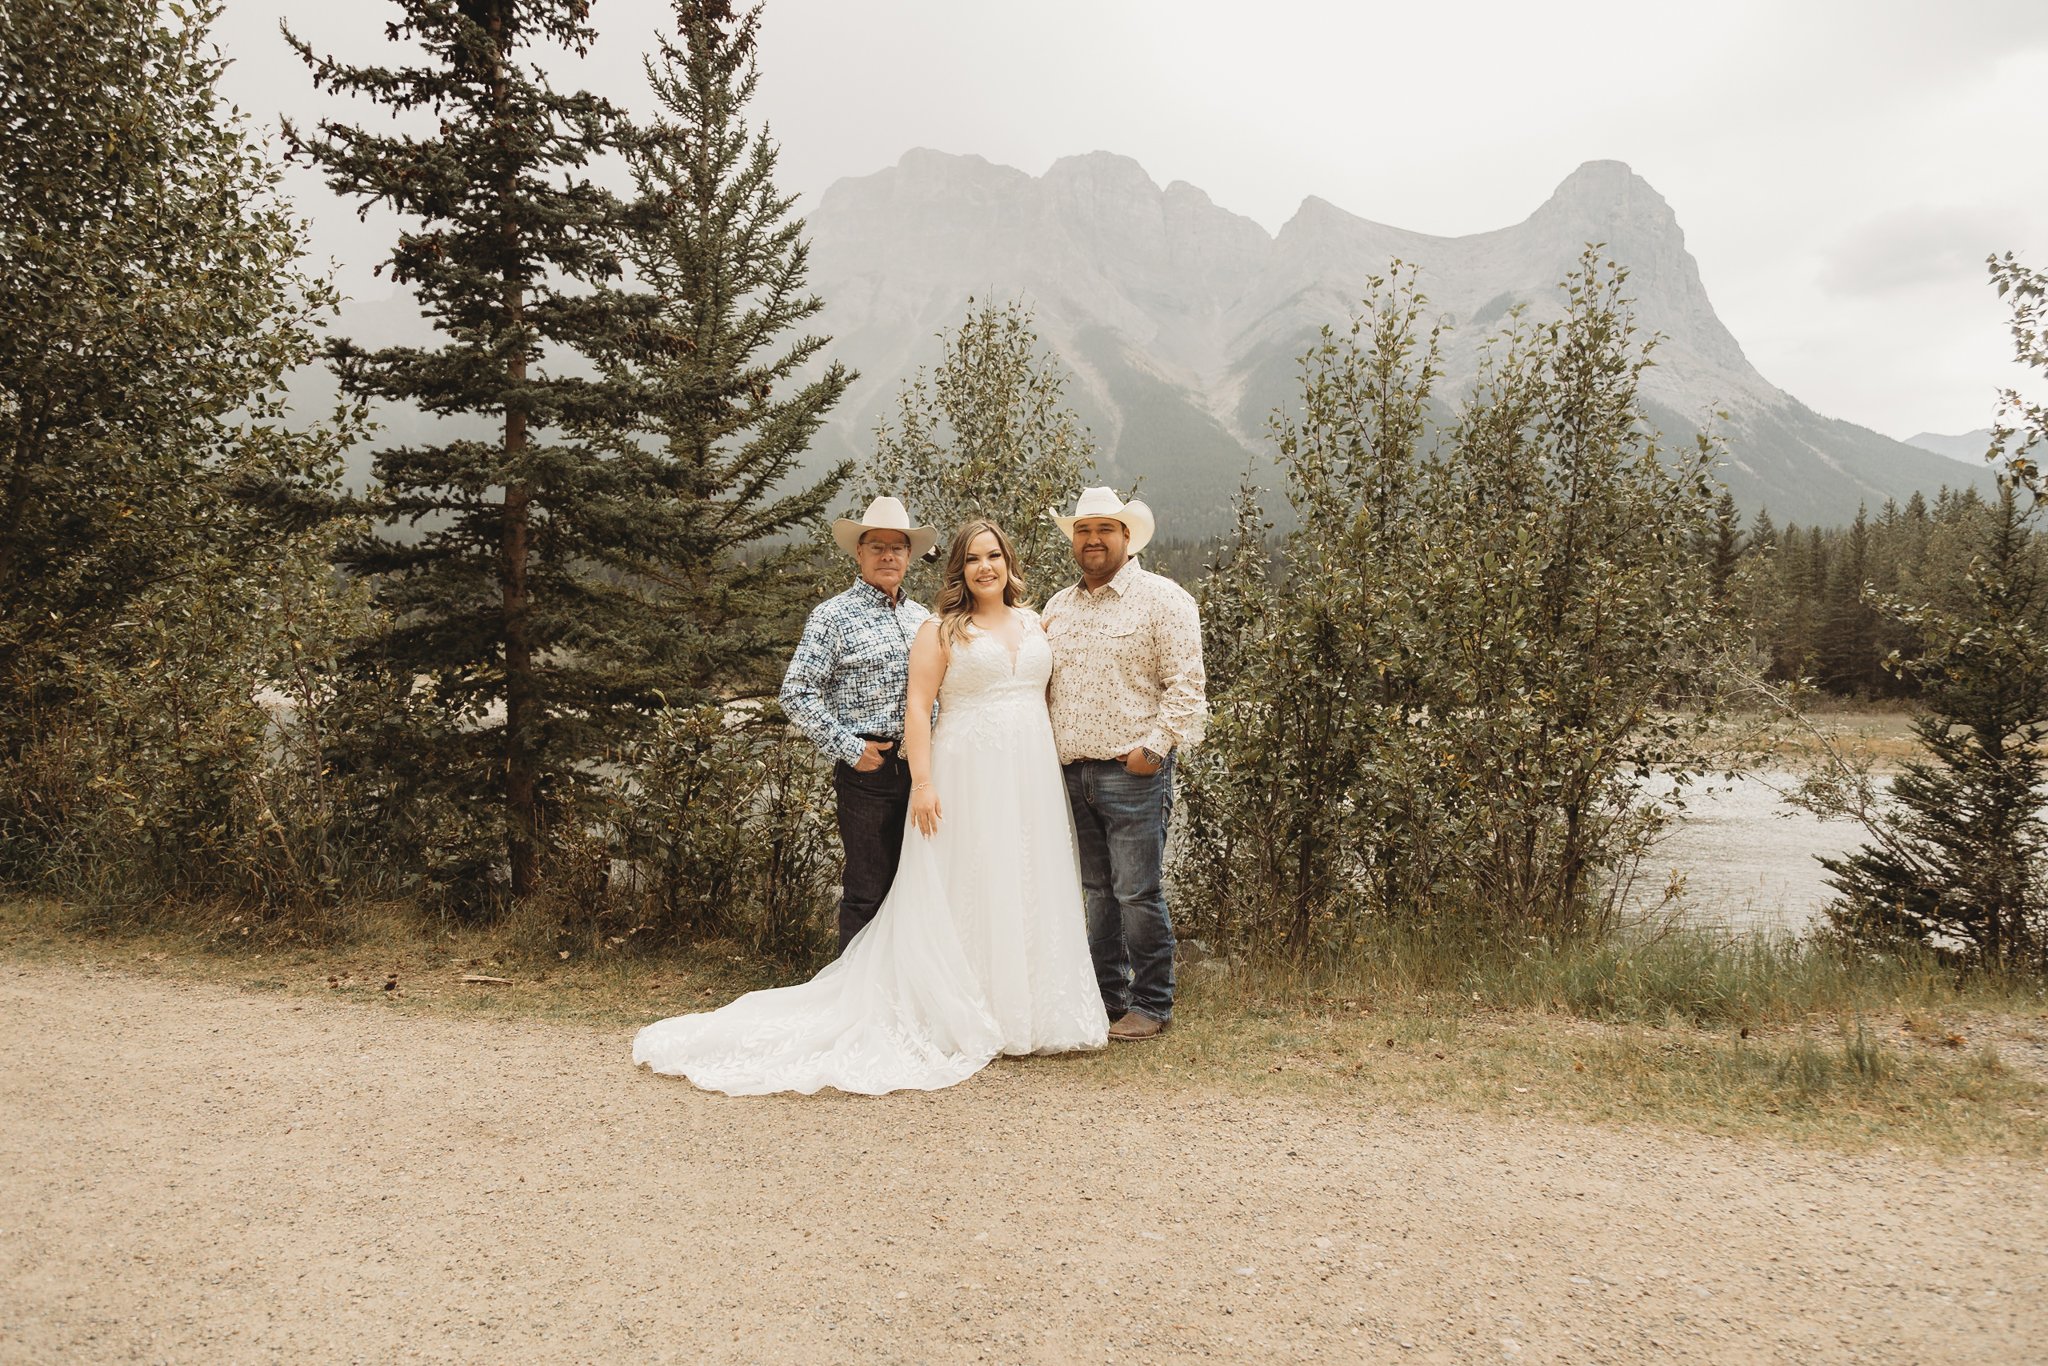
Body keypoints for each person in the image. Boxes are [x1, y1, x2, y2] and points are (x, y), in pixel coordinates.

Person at [632, 520, 1108, 1096]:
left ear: (1007, 562)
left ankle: (1027, 1006)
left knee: (1017, 875)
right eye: (972, 558)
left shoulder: (1021, 622)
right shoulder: (910, 624)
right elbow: (897, 702)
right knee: (887, 886)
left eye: (994, 556)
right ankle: (900, 999)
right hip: (901, 767)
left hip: (1020, 773)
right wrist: (892, 767)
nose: (985, 567)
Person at [1043, 488, 1207, 1042]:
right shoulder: (1058, 607)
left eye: (1104, 530)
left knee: (1137, 892)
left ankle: (1152, 1003)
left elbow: (1187, 685)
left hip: (1131, 773)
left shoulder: (1164, 600)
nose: (1092, 540)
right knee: (1097, 893)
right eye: (1083, 530)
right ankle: (1105, 997)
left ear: (1127, 537)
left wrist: (1154, 750)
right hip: (1072, 773)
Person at [777, 496, 935, 955]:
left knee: (919, 885)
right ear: (860, 553)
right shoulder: (832, 616)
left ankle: (904, 981)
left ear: (909, 555)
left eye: (897, 547)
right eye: (877, 547)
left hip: (923, 771)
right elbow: (796, 692)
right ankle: (853, 986)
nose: (888, 555)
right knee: (867, 889)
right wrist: (850, 748)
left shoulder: (923, 618)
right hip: (869, 770)